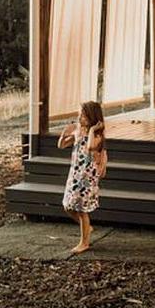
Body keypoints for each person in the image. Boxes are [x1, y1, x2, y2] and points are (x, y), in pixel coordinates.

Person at [59, 100, 106, 254]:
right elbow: (61, 145)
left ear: (93, 117)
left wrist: (92, 130)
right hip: (75, 174)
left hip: (87, 176)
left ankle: (84, 242)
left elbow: (90, 146)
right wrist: (65, 133)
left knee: (81, 209)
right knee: (68, 205)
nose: (80, 118)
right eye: (80, 115)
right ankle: (87, 227)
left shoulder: (97, 135)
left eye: (84, 116)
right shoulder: (78, 131)